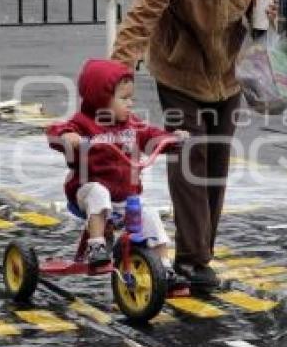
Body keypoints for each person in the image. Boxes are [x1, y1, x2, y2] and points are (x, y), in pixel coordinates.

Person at [110, 0, 276, 287]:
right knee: (188, 153)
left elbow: (262, 21)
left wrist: (268, 17)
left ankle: (202, 251)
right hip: (179, 72)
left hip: (228, 73)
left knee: (216, 161)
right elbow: (139, 20)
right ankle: (192, 259)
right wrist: (115, 76)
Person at [46, 59, 189, 280]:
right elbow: (57, 131)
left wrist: (170, 138)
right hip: (84, 191)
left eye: (131, 98)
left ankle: (164, 269)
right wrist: (68, 137)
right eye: (123, 98)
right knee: (98, 192)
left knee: (150, 216)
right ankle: (96, 246)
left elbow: (150, 135)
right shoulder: (84, 122)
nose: (130, 104)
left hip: (125, 198)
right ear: (100, 99)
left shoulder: (132, 125)